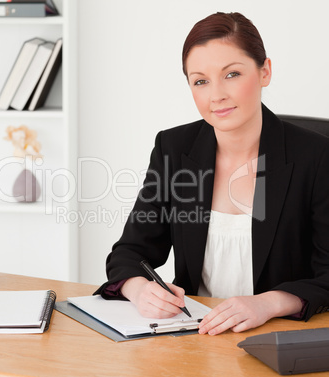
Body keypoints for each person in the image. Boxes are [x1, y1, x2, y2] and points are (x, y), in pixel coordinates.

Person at [94, 12, 329, 335]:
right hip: (194, 335)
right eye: (201, 81)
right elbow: (130, 252)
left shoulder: (316, 156)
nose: (216, 94)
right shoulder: (174, 149)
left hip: (279, 335)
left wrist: (270, 302)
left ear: (265, 72)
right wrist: (139, 290)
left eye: (231, 74)